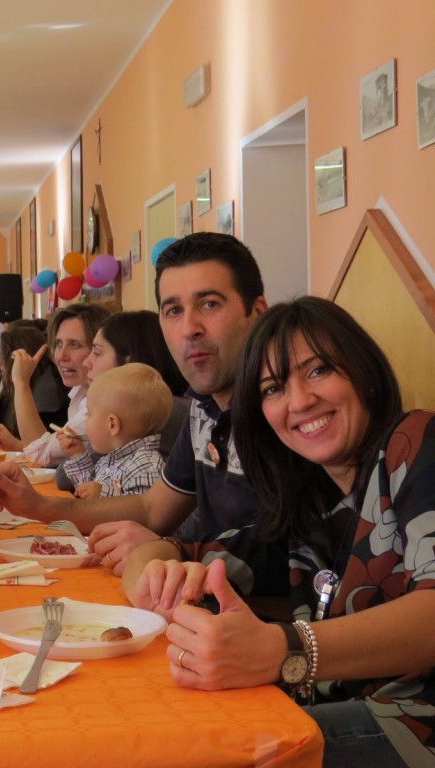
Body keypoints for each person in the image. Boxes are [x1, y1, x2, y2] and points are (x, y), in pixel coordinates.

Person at [124, 297, 435, 767]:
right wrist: (158, 576)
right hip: (332, 716)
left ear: (364, 371)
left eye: (318, 370)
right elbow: (164, 552)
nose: (300, 401)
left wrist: (284, 649)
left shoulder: (415, 443)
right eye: (273, 388)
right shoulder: (309, 510)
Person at [0, 233, 286, 605]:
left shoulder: (287, 412)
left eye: (209, 304)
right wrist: (39, 506)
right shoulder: (203, 407)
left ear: (257, 312)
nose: (189, 328)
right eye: (173, 310)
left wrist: (170, 549)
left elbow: (289, 555)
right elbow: (151, 508)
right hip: (199, 607)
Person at [58, 310, 190, 469]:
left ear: (130, 363)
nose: (87, 363)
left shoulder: (155, 411)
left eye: (97, 352)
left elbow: (64, 476)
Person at [0, 303, 111, 462]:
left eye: (74, 345)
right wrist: (18, 445)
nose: (61, 356)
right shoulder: (80, 391)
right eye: (58, 344)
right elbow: (60, 452)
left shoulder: (101, 404)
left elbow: (39, 454)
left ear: (98, 350)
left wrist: (21, 382)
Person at [63, 363, 172, 499]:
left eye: (89, 414)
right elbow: (85, 492)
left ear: (112, 425)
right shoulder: (109, 459)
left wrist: (103, 495)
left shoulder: (147, 466)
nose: (85, 421)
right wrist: (77, 454)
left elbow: (143, 509)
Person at [0, 323, 69, 437]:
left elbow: (35, 441)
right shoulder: (28, 379)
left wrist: (21, 382)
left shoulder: (46, 388)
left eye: (3, 355)